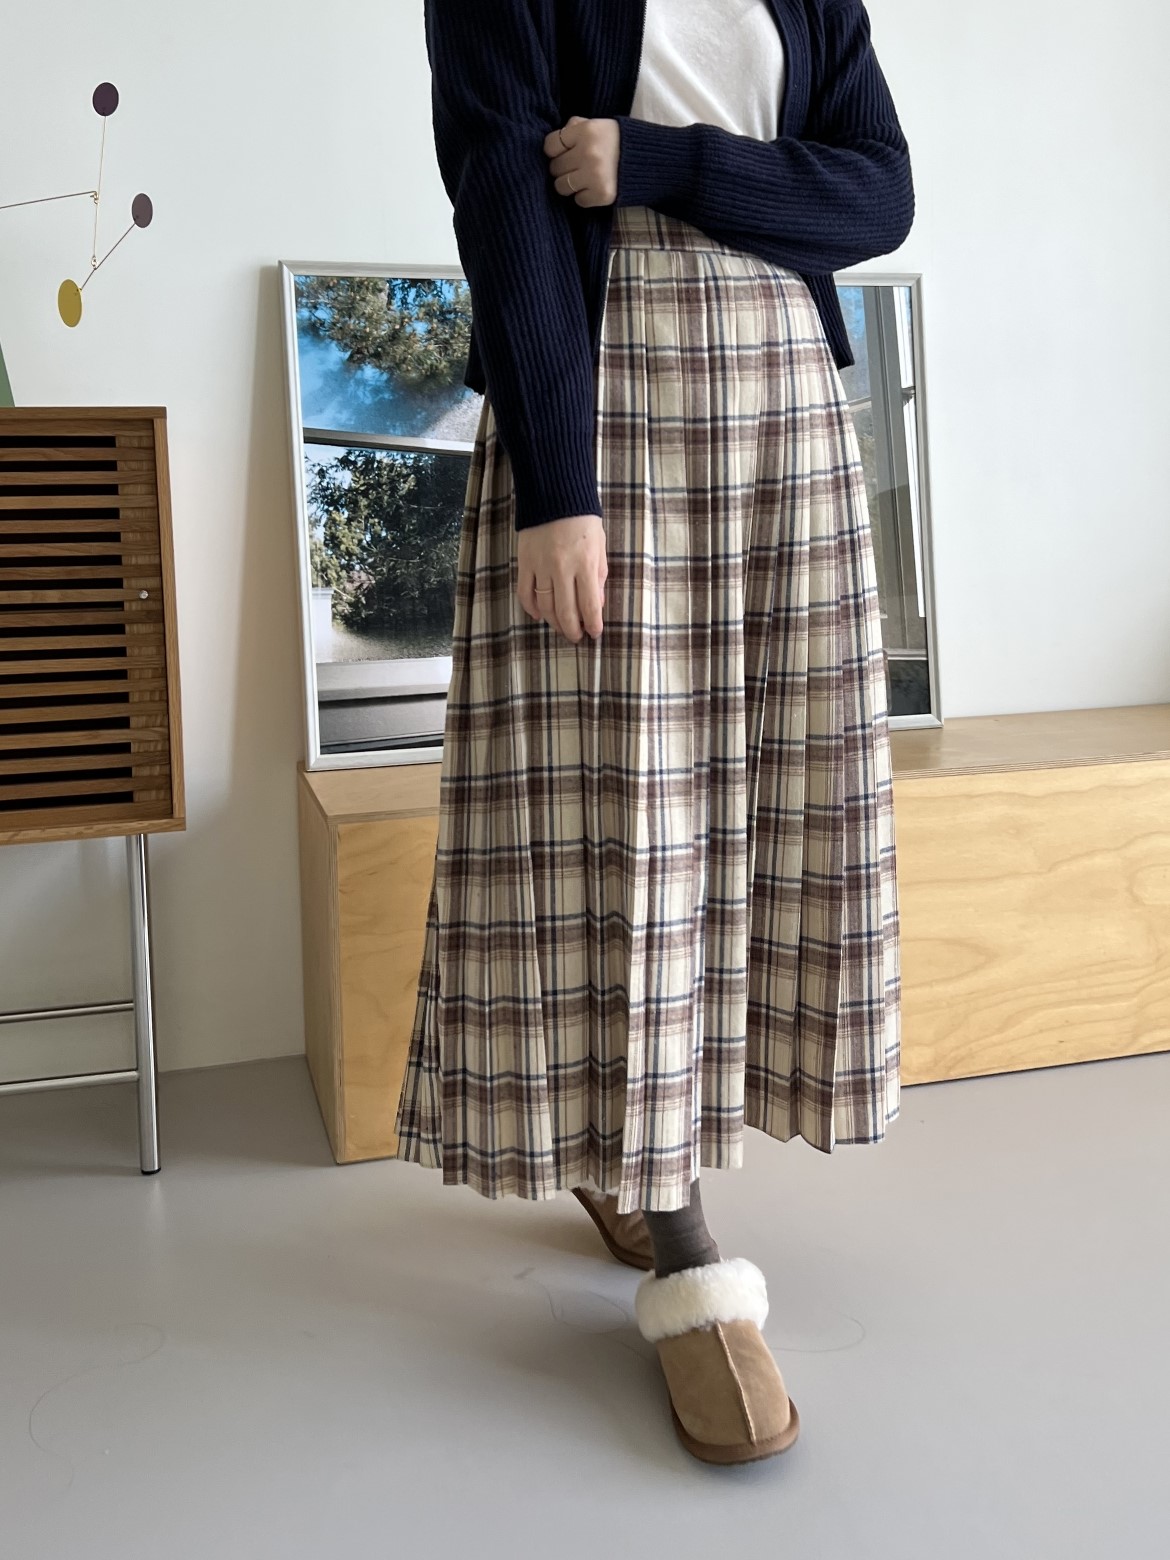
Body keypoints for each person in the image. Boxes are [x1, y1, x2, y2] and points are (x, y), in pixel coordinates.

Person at [395, 0, 913, 1466]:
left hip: (785, 404)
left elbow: (879, 194)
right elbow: (504, 197)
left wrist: (659, 158)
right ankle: (680, 1233)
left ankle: (643, 1149)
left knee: (779, 800)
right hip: (610, 392)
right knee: (634, 813)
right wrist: (557, 487)